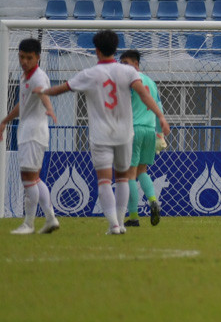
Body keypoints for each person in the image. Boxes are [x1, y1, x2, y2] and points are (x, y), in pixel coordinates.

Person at [43, 29, 169, 237]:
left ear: (97, 50)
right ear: (115, 49)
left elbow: (62, 88)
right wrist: (161, 118)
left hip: (102, 134)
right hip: (126, 132)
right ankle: (124, 220)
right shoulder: (129, 73)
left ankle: (115, 225)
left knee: (104, 180)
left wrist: (41, 92)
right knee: (125, 177)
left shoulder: (90, 73)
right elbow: (145, 96)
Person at [1, 38, 57, 235]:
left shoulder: (38, 78)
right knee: (34, 178)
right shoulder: (25, 76)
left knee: (27, 178)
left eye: (29, 58)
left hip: (33, 133)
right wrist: (6, 120)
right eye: (22, 57)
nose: (24, 61)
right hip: (29, 131)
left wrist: (50, 108)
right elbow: (22, 105)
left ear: (38, 58)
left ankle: (29, 224)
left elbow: (43, 92)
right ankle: (50, 218)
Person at [119, 49, 163, 228]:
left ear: (136, 65)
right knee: (142, 171)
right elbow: (158, 106)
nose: (123, 68)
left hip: (134, 130)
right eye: (121, 64)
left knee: (129, 173)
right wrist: (159, 133)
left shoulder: (128, 83)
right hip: (150, 130)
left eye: (127, 64)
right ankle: (153, 200)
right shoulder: (151, 83)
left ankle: (134, 217)